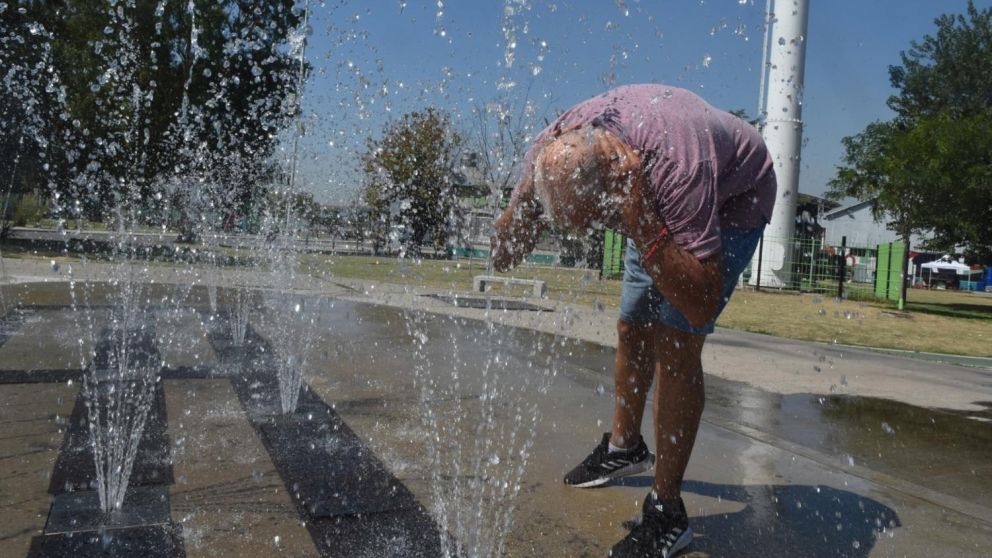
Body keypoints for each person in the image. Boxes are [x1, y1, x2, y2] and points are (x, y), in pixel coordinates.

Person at [491, 84, 776, 557]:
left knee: (676, 340)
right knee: (632, 324)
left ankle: (668, 513)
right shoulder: (550, 150)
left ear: (614, 188)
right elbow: (502, 257)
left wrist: (641, 217)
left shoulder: (676, 169)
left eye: (592, 220)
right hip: (644, 190)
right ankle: (625, 448)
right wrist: (519, 218)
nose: (584, 234)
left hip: (735, 196)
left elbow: (699, 303)